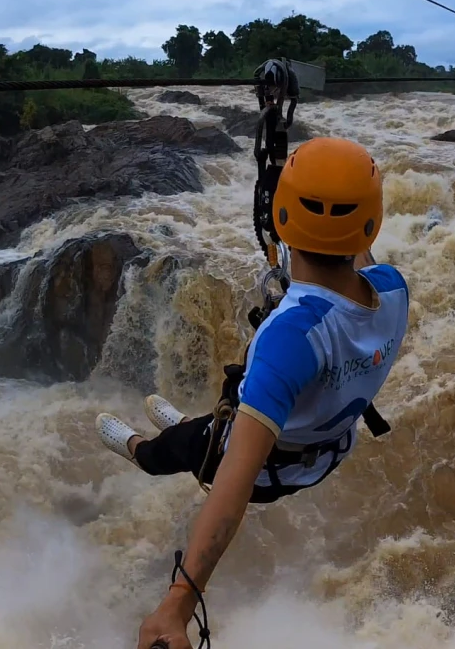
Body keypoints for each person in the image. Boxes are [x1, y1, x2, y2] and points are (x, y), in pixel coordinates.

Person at [93, 137, 412, 649]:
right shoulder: (394, 287)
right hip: (328, 446)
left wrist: (178, 603)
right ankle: (182, 426)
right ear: (370, 224)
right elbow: (355, 256)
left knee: (170, 455)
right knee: (208, 423)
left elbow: (234, 485)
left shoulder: (293, 335)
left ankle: (136, 444)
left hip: (270, 465)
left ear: (281, 217)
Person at [254, 58, 300, 130]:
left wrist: (279, 114)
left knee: (294, 98)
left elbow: (281, 98)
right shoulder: (265, 66)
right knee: (266, 92)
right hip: (272, 70)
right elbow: (256, 74)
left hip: (287, 74)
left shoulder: (286, 76)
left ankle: (286, 124)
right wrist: (260, 92)